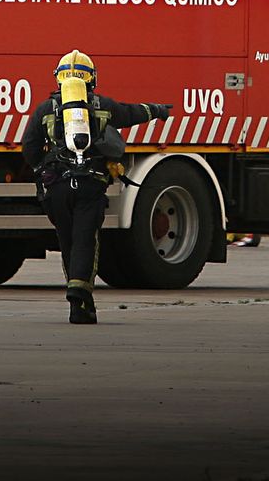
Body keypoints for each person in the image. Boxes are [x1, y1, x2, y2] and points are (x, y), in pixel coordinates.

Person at [20, 49, 171, 324]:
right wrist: (158, 110)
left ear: (59, 78)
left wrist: (44, 168)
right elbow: (130, 113)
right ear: (91, 79)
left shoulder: (45, 109)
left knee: (68, 241)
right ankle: (80, 297)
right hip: (90, 186)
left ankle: (77, 293)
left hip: (57, 188)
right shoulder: (102, 105)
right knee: (85, 241)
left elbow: (29, 148)